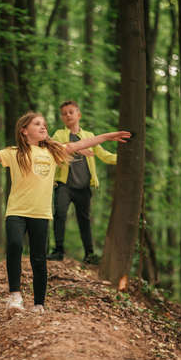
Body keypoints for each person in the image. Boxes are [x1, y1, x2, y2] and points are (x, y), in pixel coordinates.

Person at [0, 112, 130, 315]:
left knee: (38, 259)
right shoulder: (13, 152)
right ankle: (15, 297)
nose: (43, 127)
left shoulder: (54, 152)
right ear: (24, 130)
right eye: (37, 124)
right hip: (16, 211)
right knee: (15, 245)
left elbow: (82, 143)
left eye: (44, 124)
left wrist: (107, 136)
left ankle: (38, 304)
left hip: (41, 214)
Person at [47, 100, 118, 264]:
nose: (68, 115)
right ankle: (58, 251)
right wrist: (78, 148)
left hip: (84, 186)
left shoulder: (90, 136)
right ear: (62, 118)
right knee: (60, 214)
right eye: (64, 114)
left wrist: (124, 159)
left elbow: (104, 155)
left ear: (78, 114)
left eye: (71, 112)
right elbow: (56, 146)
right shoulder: (59, 134)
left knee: (84, 219)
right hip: (64, 185)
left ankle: (89, 254)